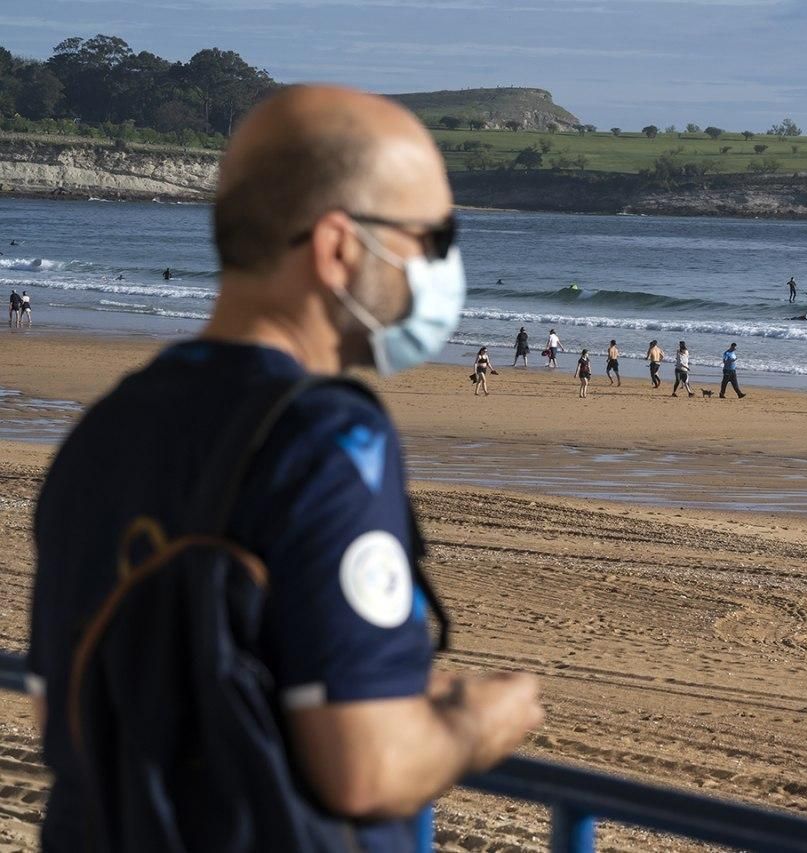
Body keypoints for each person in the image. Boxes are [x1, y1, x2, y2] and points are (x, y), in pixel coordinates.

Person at [28, 86, 542, 852]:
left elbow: (60, 708)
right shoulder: (328, 438)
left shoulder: (105, 426)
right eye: (432, 240)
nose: (442, 268)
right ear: (338, 247)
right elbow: (364, 769)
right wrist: (475, 722)